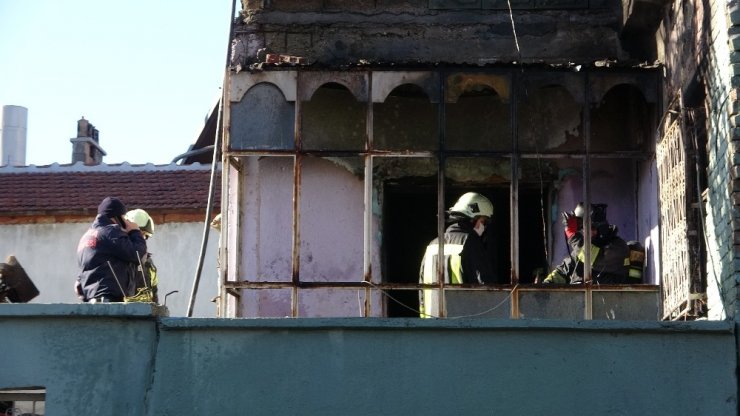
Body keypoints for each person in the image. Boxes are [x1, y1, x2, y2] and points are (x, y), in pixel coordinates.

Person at [419, 192, 498, 317]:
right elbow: (486, 287)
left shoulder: (432, 245)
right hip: (461, 326)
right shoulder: (471, 242)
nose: (484, 227)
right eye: (484, 221)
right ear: (474, 219)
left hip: (432, 326)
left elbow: (422, 291)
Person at [75, 197, 147, 303]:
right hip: (110, 301)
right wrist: (135, 232)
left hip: (92, 301)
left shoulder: (87, 236)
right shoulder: (110, 232)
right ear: (117, 217)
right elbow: (137, 255)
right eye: (124, 216)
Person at [543, 202, 629, 284]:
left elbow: (593, 259)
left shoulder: (618, 247)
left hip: (608, 298)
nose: (585, 233)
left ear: (601, 229)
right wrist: (545, 285)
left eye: (590, 228)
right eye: (582, 229)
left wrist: (573, 236)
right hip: (579, 298)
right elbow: (563, 271)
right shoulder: (582, 250)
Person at [124, 208, 159, 303]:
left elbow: (153, 294)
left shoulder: (149, 264)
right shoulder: (120, 259)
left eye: (144, 236)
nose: (141, 240)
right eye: (138, 234)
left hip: (144, 315)